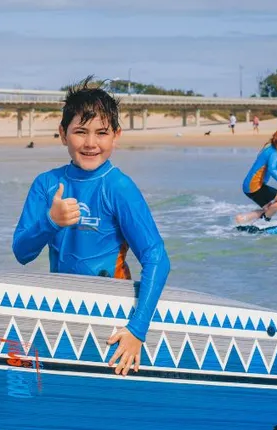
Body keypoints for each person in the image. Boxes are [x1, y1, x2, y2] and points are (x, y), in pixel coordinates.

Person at [12, 77, 170, 377]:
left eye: (101, 133)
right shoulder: (46, 185)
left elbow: (157, 258)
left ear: (116, 136)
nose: (90, 143)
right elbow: (22, 252)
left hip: (114, 315)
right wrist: (50, 222)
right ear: (63, 134)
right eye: (80, 132)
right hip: (63, 308)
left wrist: (137, 330)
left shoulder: (119, 187)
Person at [234, 128, 277, 224]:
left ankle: (243, 218)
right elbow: (272, 169)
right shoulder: (275, 152)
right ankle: (264, 222)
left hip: (249, 186)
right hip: (254, 186)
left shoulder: (269, 147)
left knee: (269, 208)